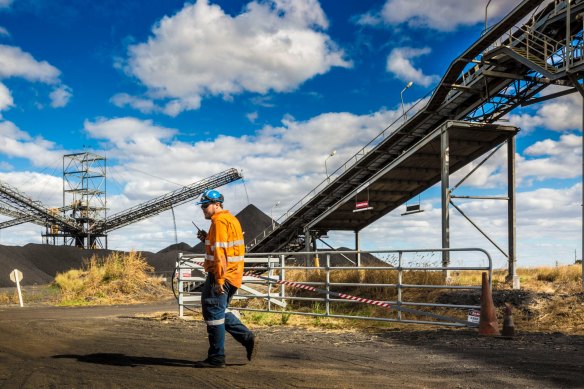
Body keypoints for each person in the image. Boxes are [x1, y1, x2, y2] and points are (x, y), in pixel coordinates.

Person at [194, 189, 257, 368]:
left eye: (205, 206)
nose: (203, 209)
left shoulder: (219, 221)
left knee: (213, 312)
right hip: (232, 273)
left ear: (217, 204)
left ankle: (217, 357)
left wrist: (219, 280)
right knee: (217, 310)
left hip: (222, 274)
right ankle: (246, 337)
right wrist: (206, 238)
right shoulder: (230, 219)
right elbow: (224, 246)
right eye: (202, 206)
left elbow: (221, 253)